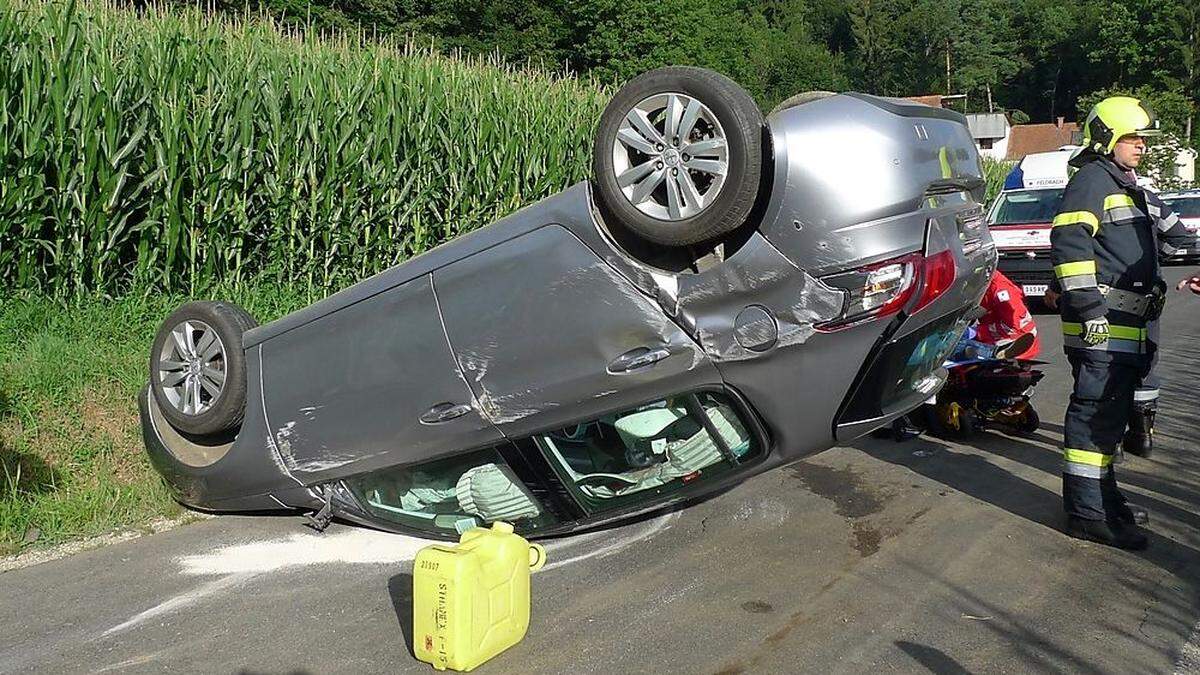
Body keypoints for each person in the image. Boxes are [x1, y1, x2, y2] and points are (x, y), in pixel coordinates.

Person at [1050, 96, 1197, 550]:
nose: (1141, 147)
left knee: (1109, 424)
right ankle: (1088, 515)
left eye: (1142, 139)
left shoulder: (1125, 184)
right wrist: (1091, 314)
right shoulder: (1093, 182)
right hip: (1105, 327)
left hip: (1126, 328)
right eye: (1132, 138)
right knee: (1093, 420)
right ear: (1106, 139)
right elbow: (1070, 247)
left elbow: (1164, 242)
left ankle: (1105, 503)